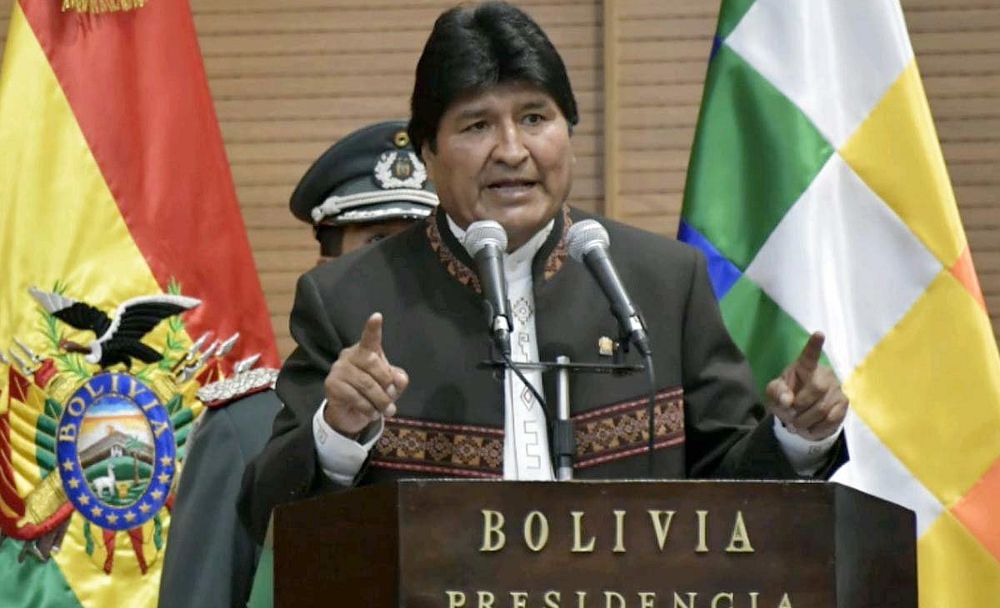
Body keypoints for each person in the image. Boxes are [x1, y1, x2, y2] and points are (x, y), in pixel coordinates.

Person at [237, 1, 848, 545]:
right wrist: (339, 432)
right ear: (428, 154)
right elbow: (265, 514)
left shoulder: (662, 283)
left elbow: (731, 490)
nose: (512, 150)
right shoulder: (348, 298)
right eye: (477, 125)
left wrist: (797, 435)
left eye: (535, 118)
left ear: (568, 133)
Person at [158, 120, 438, 608]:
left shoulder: (483, 414)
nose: (403, 271)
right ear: (327, 271)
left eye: (419, 245)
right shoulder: (247, 426)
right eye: (377, 244)